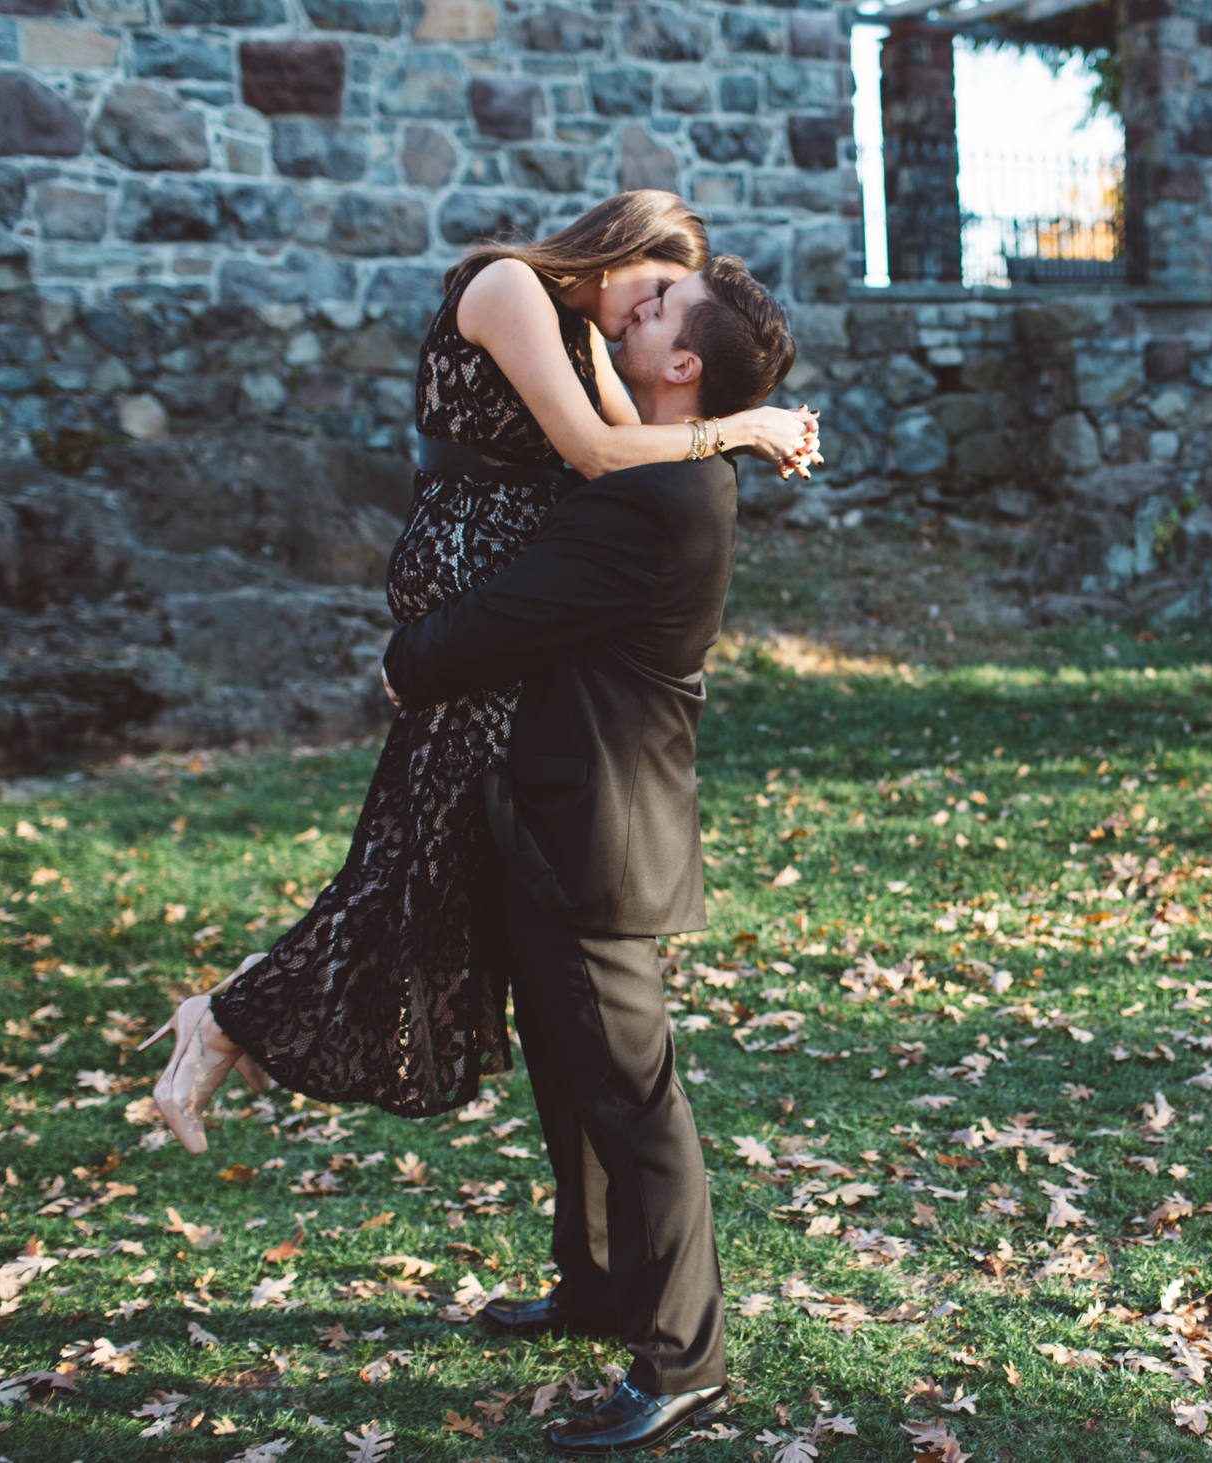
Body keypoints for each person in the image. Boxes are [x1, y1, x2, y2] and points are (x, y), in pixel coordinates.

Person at [140, 190, 818, 1147]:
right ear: (618, 246)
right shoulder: (509, 287)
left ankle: (242, 1008)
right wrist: (744, 429)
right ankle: (226, 1016)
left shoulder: (590, 333)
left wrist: (739, 418)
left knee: (429, 855)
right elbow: (597, 452)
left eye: (673, 301)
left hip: (513, 604)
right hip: (468, 582)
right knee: (412, 853)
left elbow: (641, 456)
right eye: (659, 285)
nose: (654, 309)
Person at [373, 252, 787, 1454]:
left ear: (679, 367)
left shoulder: (654, 497)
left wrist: (407, 660)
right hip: (548, 814)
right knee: (570, 1078)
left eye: (652, 308)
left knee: (633, 1097)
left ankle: (684, 1363)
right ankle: (597, 1282)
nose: (620, 310)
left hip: (595, 831)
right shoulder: (650, 477)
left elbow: (499, 617)